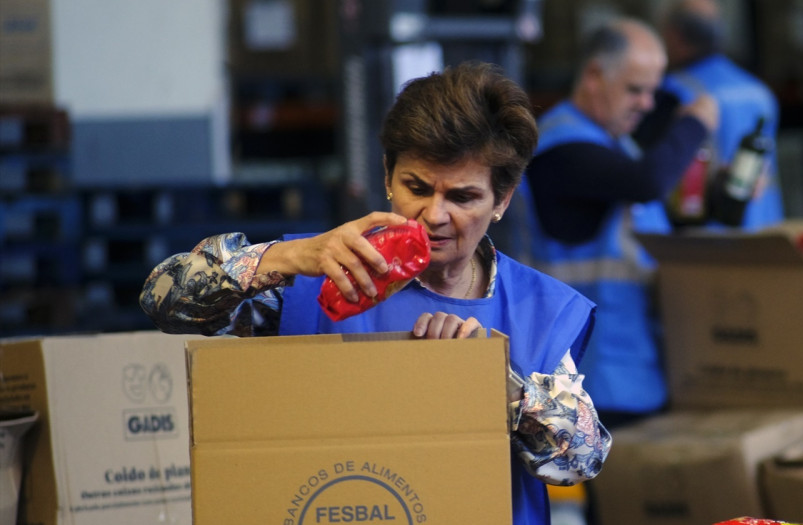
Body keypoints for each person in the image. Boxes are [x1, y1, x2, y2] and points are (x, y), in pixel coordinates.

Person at [139, 61, 610, 525]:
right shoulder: (318, 279)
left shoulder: (541, 310)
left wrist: (488, 379)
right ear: (387, 176)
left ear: (502, 200)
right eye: (416, 187)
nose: (434, 214)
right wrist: (285, 258)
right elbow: (165, 300)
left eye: (462, 197)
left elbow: (580, 461)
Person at [518, 17, 718, 428]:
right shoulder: (562, 149)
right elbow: (647, 182)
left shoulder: (616, 146)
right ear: (594, 75)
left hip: (632, 370)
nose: (646, 104)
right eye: (635, 89)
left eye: (652, 91)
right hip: (590, 384)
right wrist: (696, 122)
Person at [647, 0, 786, 230]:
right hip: (765, 229)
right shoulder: (758, 90)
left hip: (710, 241)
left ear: (673, 35)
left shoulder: (675, 93)